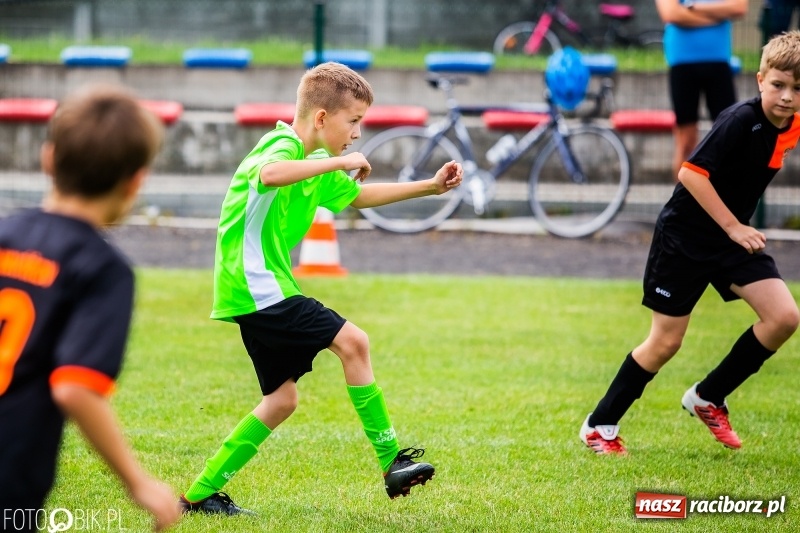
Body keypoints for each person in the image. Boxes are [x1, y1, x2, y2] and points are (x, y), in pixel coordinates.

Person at [179, 61, 463, 515]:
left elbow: (357, 196)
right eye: (353, 122)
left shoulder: (311, 163)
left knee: (282, 400)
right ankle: (391, 461)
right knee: (354, 342)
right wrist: (341, 160)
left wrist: (429, 187)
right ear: (322, 118)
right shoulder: (283, 143)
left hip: (255, 293)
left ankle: (198, 494)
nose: (356, 135)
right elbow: (268, 174)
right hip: (260, 290)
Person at [579, 30, 800, 455]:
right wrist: (735, 228)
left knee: (784, 317)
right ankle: (599, 424)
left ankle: (708, 396)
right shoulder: (740, 120)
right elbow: (691, 174)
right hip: (686, 238)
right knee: (666, 342)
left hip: (730, 239)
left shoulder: (791, 122)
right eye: (778, 85)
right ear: (760, 80)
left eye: (796, 88)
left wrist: (734, 232)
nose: (787, 97)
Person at [0, 84, 182, 531]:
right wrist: (138, 482)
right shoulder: (102, 269)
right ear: (135, 181)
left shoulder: (5, 232)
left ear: (49, 158)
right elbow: (75, 388)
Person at [655, 0, 748, 180]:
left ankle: (723, 202)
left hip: (718, 61)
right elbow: (671, 14)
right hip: (682, 62)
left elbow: (739, 7)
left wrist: (694, 9)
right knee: (686, 141)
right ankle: (682, 205)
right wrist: (717, 16)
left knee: (729, 136)